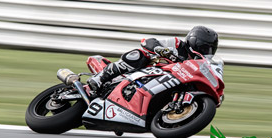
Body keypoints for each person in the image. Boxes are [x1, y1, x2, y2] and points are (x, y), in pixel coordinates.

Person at [87, 26, 219, 91]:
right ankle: (100, 78)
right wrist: (160, 50)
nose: (205, 52)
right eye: (204, 47)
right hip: (146, 70)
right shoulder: (177, 44)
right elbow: (148, 42)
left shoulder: (198, 64)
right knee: (139, 55)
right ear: (194, 42)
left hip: (160, 83)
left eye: (209, 49)